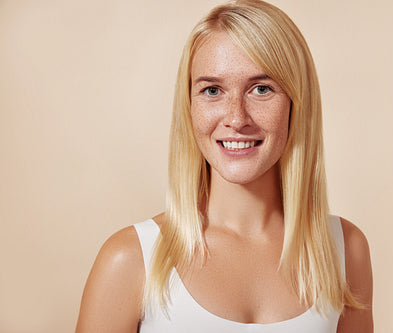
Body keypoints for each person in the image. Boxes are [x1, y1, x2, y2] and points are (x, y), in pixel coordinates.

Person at [75, 0, 373, 332]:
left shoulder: (346, 250)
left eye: (261, 89)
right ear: (188, 105)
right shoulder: (130, 259)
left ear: (296, 103)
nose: (236, 118)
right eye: (212, 90)